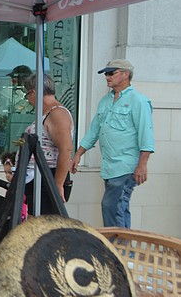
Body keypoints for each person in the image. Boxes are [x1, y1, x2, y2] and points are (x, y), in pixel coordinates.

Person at [70, 59, 154, 228]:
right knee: (118, 208)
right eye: (106, 74)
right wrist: (78, 154)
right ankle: (123, 250)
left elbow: (146, 134)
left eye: (111, 73)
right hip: (109, 167)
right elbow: (94, 131)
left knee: (111, 206)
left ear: (125, 74)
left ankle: (118, 248)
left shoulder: (139, 101)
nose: (107, 77)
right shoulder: (105, 101)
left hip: (126, 166)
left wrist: (142, 165)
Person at [20, 73, 74, 216]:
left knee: (43, 224)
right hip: (37, 177)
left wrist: (57, 184)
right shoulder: (46, 113)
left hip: (47, 176)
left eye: (27, 96)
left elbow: (66, 149)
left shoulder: (57, 114)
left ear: (34, 93)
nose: (29, 101)